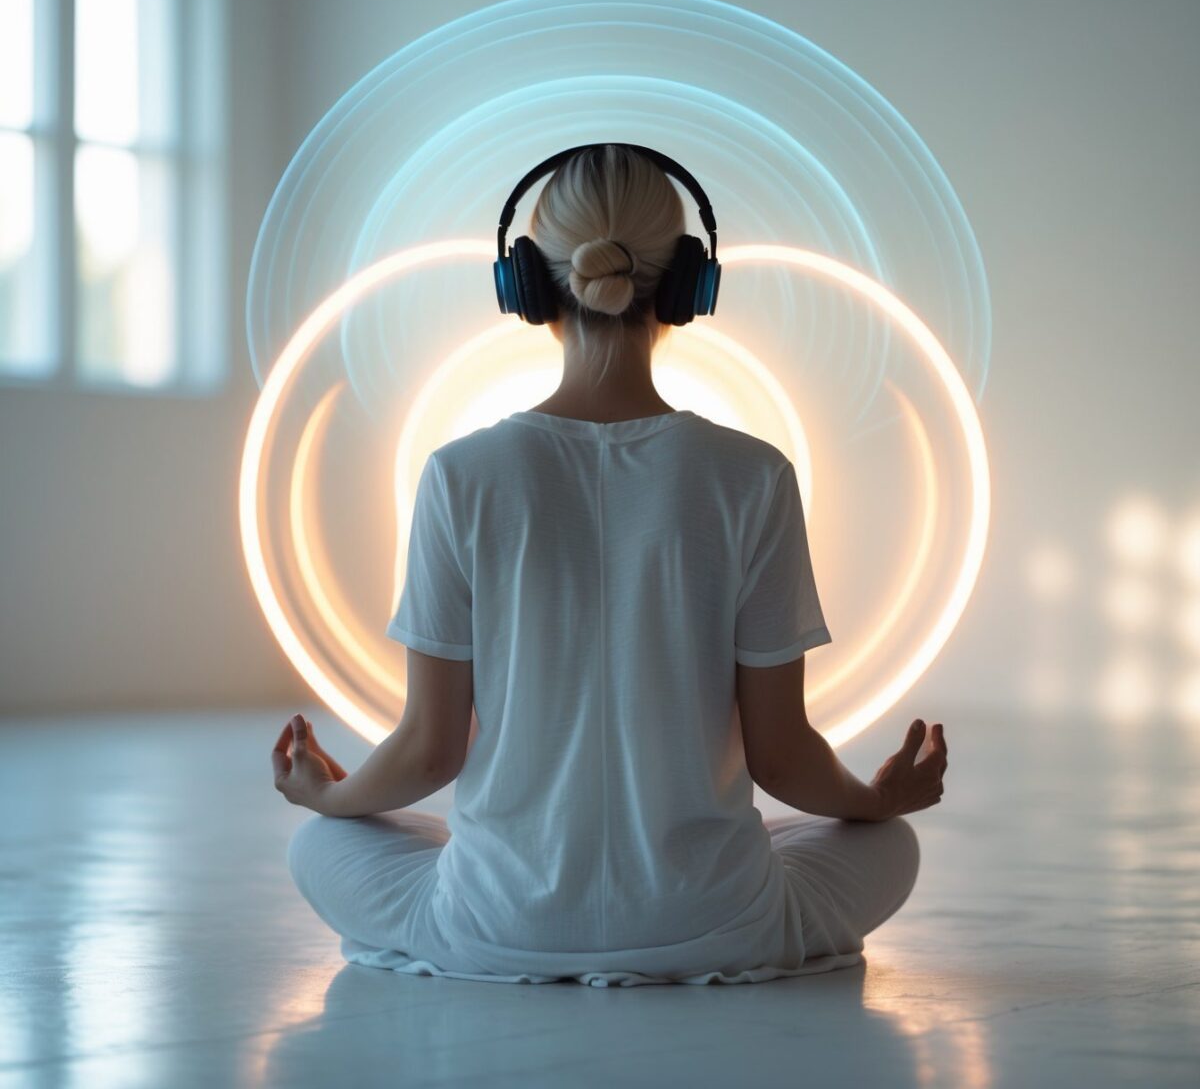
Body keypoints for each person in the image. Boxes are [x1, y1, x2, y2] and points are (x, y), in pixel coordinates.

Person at [276, 144, 949, 987]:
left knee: (319, 844)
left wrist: (326, 796)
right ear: (688, 286)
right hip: (714, 923)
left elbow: (429, 751)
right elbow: (782, 761)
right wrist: (877, 801)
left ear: (524, 286)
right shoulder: (755, 475)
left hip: (495, 924)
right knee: (888, 845)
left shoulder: (459, 475)